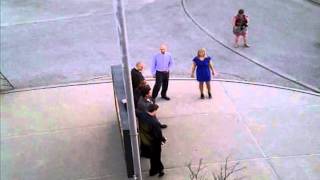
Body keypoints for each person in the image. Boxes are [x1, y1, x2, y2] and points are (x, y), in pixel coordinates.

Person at [136, 104, 166, 177]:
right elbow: (158, 135)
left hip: (145, 140)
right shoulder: (154, 122)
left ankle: (154, 171)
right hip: (153, 143)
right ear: (154, 111)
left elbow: (134, 111)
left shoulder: (142, 114)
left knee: (153, 157)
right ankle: (159, 170)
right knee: (156, 157)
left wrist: (126, 103)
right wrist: (163, 139)